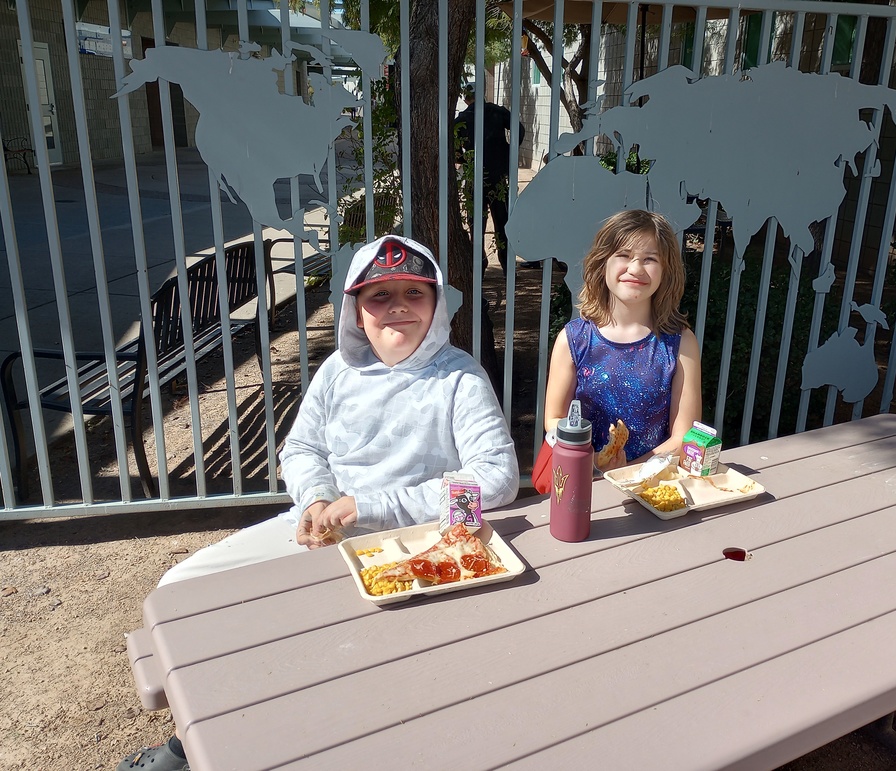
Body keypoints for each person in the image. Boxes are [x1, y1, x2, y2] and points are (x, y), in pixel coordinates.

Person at [116, 234, 520, 771]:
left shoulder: (459, 377)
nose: (397, 306)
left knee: (324, 653)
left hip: (411, 545)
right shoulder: (336, 372)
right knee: (183, 592)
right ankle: (193, 739)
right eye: (379, 296)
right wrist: (315, 499)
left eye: (413, 293)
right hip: (324, 531)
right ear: (355, 309)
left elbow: (496, 478)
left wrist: (371, 505)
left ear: (437, 303)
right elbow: (301, 448)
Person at [543, 209, 702, 470]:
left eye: (650, 259)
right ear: (602, 262)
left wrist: (630, 471)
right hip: (581, 481)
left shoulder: (681, 343)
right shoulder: (573, 340)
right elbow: (555, 419)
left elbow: (683, 437)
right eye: (624, 255)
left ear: (666, 270)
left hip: (651, 483)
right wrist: (593, 462)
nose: (636, 268)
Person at [454, 81, 529, 275]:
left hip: (474, 178)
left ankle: (479, 265)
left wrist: (463, 158)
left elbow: (454, 148)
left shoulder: (461, 119)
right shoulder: (497, 112)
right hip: (497, 177)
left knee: (476, 226)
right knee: (503, 223)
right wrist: (508, 153)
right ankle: (506, 266)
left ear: (465, 98)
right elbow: (519, 130)